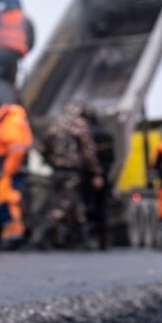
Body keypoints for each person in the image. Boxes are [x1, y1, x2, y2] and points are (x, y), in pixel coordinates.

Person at [35, 102, 102, 249]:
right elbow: (88, 151)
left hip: (57, 171)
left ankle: (77, 239)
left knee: (73, 204)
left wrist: (51, 161)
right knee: (64, 205)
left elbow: (41, 147)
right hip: (73, 172)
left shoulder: (54, 124)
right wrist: (96, 172)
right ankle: (43, 235)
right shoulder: (79, 125)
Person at [0, 101, 33, 247]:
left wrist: (7, 171)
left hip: (9, 171)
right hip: (6, 171)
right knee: (4, 201)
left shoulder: (9, 122)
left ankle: (14, 235)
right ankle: (10, 233)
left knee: (8, 200)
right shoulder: (1, 123)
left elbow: (17, 150)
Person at [0, 0, 36, 101]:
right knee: (10, 82)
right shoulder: (25, 19)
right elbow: (31, 40)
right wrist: (23, 53)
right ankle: (11, 101)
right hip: (13, 55)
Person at [80, 108, 116, 250]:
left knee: (87, 206)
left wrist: (95, 175)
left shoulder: (86, 135)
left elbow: (87, 158)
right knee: (102, 208)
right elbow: (110, 158)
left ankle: (89, 238)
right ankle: (103, 238)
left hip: (88, 176)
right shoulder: (106, 134)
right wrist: (102, 175)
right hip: (104, 176)